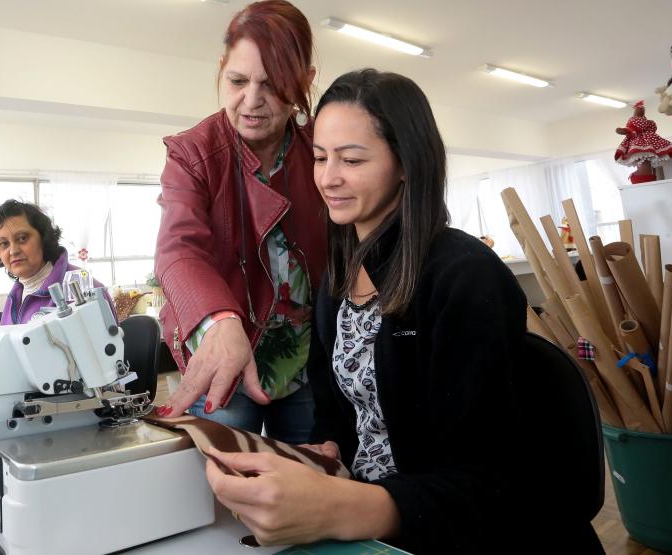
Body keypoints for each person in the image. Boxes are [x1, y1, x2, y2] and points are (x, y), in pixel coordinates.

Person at [203, 70, 603, 553]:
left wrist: (339, 507)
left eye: (352, 159)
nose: (328, 178)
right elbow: (335, 416)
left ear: (406, 165)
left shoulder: (464, 275)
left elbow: (488, 481)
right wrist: (324, 454)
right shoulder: (337, 281)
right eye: (321, 157)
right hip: (372, 525)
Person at [154, 0, 326, 444]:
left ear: (306, 81)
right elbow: (178, 251)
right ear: (221, 69)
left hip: (305, 358)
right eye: (237, 81)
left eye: (273, 85)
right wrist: (219, 320)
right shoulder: (193, 153)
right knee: (226, 476)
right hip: (224, 356)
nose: (251, 101)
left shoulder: (321, 147)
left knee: (308, 476)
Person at [0, 199, 113, 325]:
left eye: (22, 238)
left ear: (43, 237)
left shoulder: (86, 288)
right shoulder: (14, 297)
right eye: (4, 244)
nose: (13, 251)